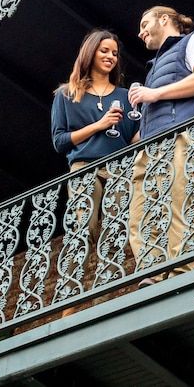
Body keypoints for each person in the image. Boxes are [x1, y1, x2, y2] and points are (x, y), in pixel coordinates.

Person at [128, 6, 194, 284]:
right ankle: (153, 271)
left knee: (180, 202)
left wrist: (154, 93)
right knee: (140, 215)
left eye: (145, 24)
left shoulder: (193, 40)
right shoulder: (154, 66)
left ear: (164, 19)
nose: (140, 32)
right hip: (151, 145)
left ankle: (180, 272)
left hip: (183, 134)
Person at [51, 29, 138, 244]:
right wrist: (99, 125)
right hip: (84, 166)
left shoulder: (125, 96)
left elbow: (134, 139)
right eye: (104, 51)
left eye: (115, 53)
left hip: (120, 168)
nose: (110, 57)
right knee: (83, 229)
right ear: (90, 53)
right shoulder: (66, 94)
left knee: (116, 230)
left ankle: (111, 266)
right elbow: (59, 142)